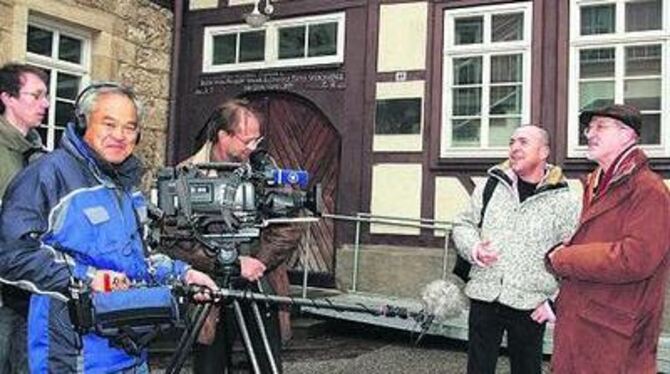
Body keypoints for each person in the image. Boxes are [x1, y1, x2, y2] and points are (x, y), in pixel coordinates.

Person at [0, 82, 217, 373]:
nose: (120, 136)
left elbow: (141, 258)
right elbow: (12, 256)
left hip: (130, 349)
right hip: (72, 356)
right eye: (109, 124)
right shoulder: (46, 176)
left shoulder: (127, 185)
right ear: (83, 122)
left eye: (129, 127)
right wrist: (88, 278)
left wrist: (183, 273)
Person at [165, 99, 303, 374]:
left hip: (261, 286)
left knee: (265, 364)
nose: (252, 147)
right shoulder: (184, 174)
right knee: (209, 367)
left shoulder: (264, 170)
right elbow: (174, 240)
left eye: (257, 139)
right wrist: (228, 263)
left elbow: (290, 224)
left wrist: (258, 262)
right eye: (246, 140)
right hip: (209, 289)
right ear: (223, 136)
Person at [547, 104, 670, 373]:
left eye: (600, 126)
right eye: (589, 128)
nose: (590, 133)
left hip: (614, 340)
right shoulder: (598, 183)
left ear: (628, 135)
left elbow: (635, 258)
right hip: (586, 329)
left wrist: (564, 257)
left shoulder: (648, 189)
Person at [452, 125, 580, 374]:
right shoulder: (490, 186)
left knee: (526, 369)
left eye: (523, 142)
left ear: (544, 152)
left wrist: (554, 303)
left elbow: (575, 255)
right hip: (484, 294)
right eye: (512, 142)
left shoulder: (565, 200)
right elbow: (462, 223)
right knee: (478, 369)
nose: (514, 148)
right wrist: (474, 248)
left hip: (531, 304)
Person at [0, 63, 49, 374]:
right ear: (8, 98)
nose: (45, 104)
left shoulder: (39, 153)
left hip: (29, 286)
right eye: (36, 95)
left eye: (46, 96)